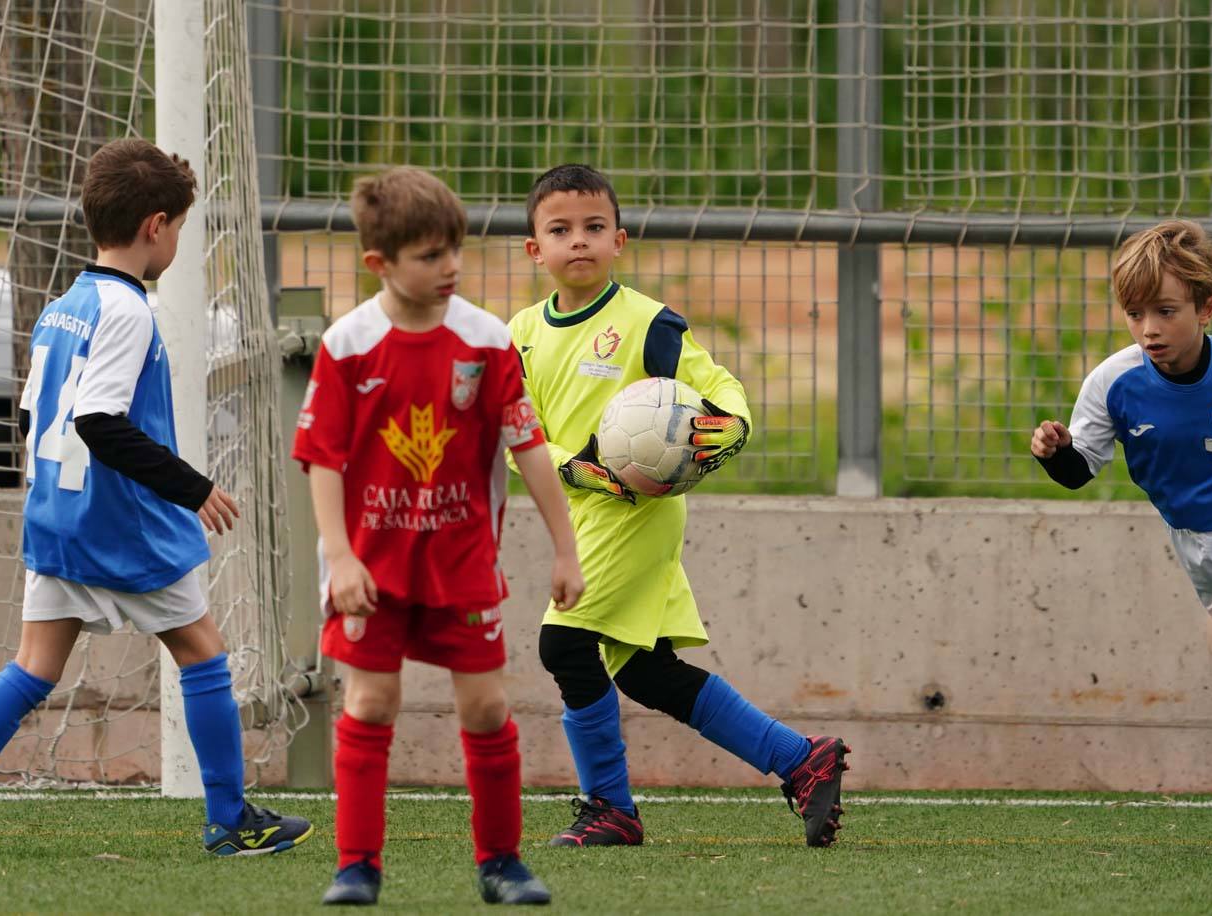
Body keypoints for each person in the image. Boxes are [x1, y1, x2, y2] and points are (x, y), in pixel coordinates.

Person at [0, 137, 312, 857]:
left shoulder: (62, 304)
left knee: (34, 667)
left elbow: (35, 414)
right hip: (118, 524)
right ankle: (230, 820)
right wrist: (191, 488)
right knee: (203, 653)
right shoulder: (129, 311)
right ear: (155, 227)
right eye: (180, 230)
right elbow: (97, 421)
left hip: (57, 517)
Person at [507, 164, 848, 850]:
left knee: (565, 644)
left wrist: (726, 430)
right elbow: (527, 431)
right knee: (645, 671)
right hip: (584, 511)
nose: (580, 242)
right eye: (561, 229)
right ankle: (799, 758)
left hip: (638, 515)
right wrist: (581, 471)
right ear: (534, 250)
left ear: (620, 241)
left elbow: (719, 392)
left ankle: (611, 807)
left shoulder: (647, 323)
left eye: (595, 228)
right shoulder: (520, 334)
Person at [293, 166, 584, 907]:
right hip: (373, 570)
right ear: (379, 265)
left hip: (461, 566)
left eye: (453, 250)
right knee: (371, 705)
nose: (449, 266)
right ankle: (356, 866)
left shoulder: (485, 343)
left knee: (486, 709)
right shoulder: (348, 344)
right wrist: (340, 556)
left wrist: (565, 547)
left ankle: (503, 863)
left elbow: (530, 448)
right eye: (429, 256)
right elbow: (322, 459)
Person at [1031, 218, 1212, 846]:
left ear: (1207, 308)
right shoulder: (1113, 383)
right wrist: (1054, 452)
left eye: (1166, 310)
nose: (1149, 328)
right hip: (1196, 543)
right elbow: (1080, 472)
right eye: (1135, 313)